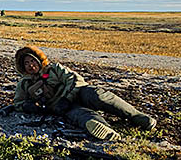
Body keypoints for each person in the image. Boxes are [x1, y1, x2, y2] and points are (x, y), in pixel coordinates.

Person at [13, 45, 155, 141]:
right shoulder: (24, 84)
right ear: (23, 67)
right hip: (63, 107)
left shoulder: (55, 69)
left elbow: (75, 79)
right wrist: (28, 106)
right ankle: (107, 130)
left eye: (33, 61)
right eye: (27, 63)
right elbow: (18, 102)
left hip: (79, 93)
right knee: (81, 116)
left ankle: (138, 117)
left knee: (100, 96)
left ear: (39, 60)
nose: (31, 65)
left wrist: (67, 98)